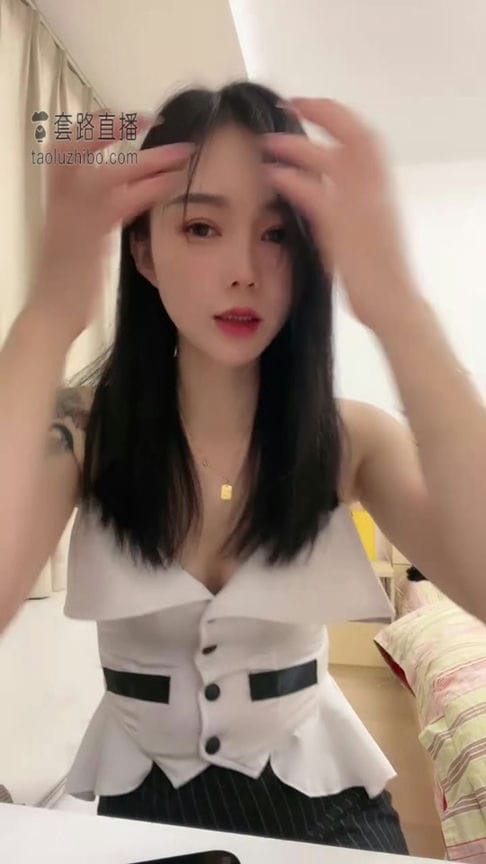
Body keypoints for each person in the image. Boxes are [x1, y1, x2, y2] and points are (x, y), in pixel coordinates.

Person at [1, 80, 485, 853]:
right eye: (201, 226)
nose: (244, 271)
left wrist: (397, 307)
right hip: (145, 816)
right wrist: (49, 312)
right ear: (142, 251)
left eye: (278, 234)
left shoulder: (350, 438)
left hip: (326, 808)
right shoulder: (85, 433)